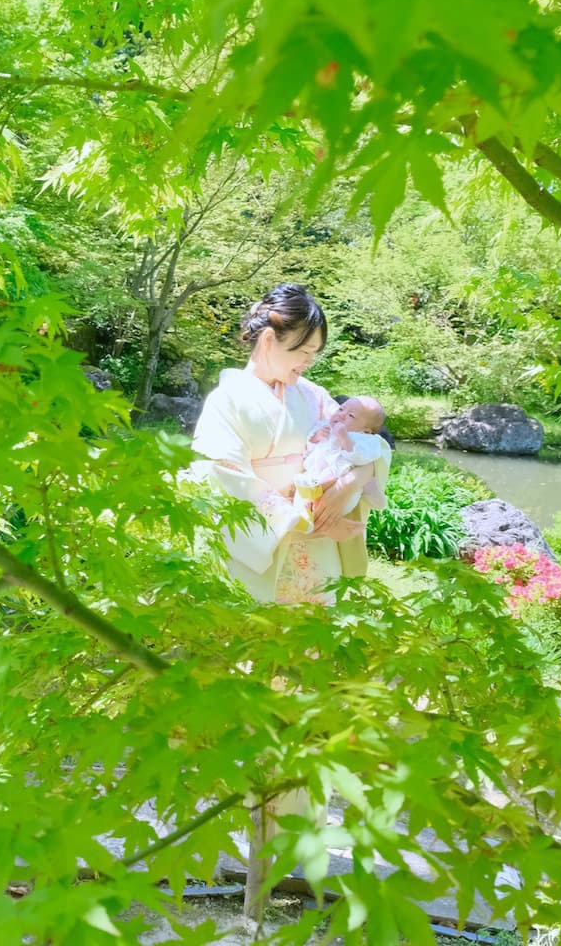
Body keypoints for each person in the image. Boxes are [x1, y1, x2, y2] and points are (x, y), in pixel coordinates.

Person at [190, 283, 390, 919]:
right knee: (251, 685)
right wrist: (302, 519)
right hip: (265, 555)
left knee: (305, 687)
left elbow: (361, 445)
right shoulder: (228, 400)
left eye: (316, 354)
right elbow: (223, 477)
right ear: (268, 339)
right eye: (301, 350)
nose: (309, 364)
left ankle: (293, 837)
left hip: (313, 561)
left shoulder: (315, 397)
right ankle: (237, 831)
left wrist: (354, 481)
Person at [287, 394, 390, 534]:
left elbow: (361, 457)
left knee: (326, 479)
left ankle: (321, 520)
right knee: (303, 492)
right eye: (341, 409)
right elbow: (310, 447)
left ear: (366, 430)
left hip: (338, 480)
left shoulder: (365, 440)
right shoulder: (325, 426)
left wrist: (344, 437)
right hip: (314, 476)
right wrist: (316, 437)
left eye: (351, 416)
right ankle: (301, 517)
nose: (341, 415)